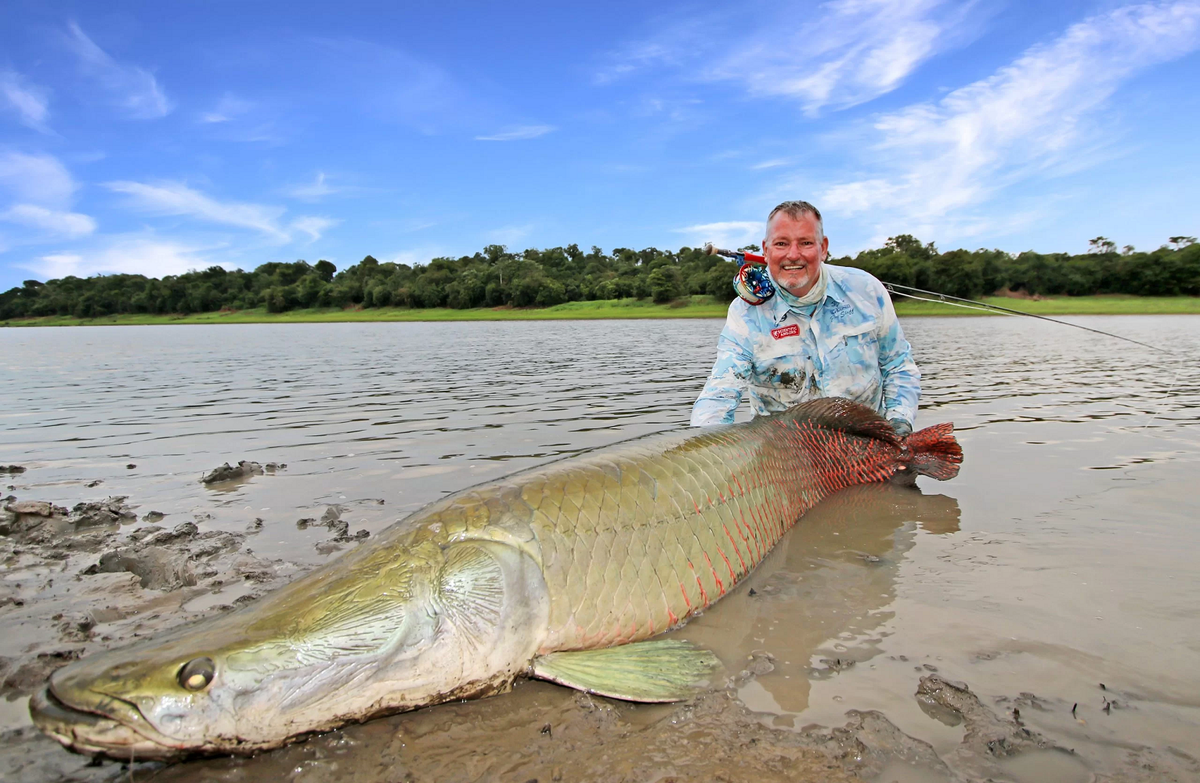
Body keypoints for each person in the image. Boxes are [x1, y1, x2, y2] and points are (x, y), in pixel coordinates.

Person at [690, 200, 920, 436]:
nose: (793, 255)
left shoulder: (867, 290)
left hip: (870, 446)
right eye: (781, 243)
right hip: (785, 460)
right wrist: (701, 448)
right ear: (766, 250)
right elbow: (720, 392)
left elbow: (898, 365)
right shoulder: (744, 314)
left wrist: (899, 423)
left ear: (823, 248)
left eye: (806, 243)